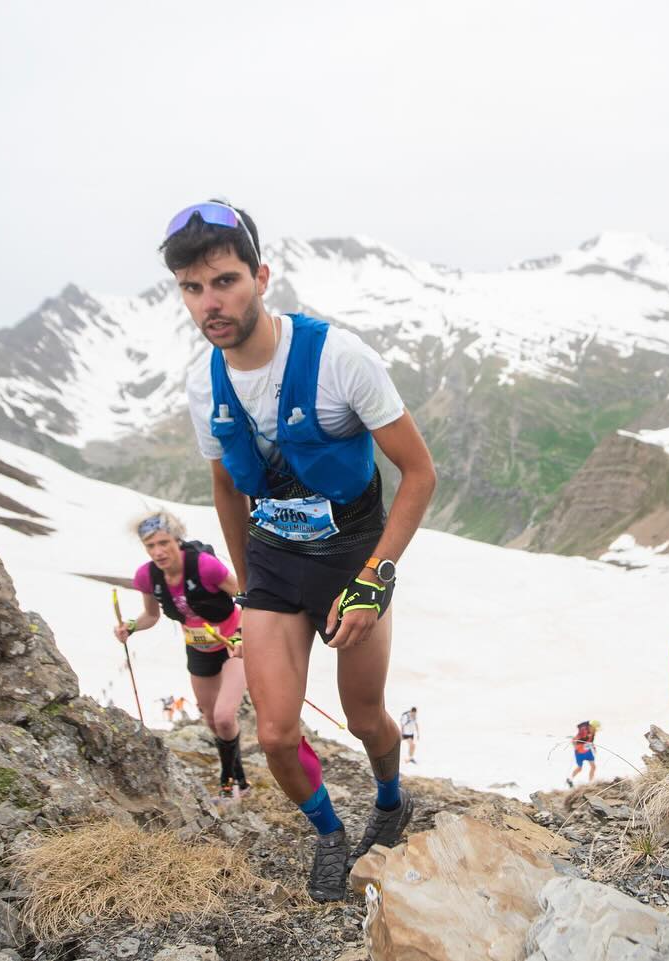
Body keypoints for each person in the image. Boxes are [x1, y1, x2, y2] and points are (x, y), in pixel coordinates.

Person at [163, 199, 438, 902]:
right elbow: (227, 482)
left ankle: (388, 798)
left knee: (364, 715)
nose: (209, 303)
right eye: (193, 288)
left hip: (353, 557)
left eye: (224, 281)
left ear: (261, 275)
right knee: (278, 736)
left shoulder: (339, 357)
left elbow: (419, 472)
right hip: (276, 562)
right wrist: (248, 581)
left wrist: (376, 578)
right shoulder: (204, 382)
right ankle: (328, 832)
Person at [115, 510, 250, 798]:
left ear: (177, 540)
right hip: (198, 648)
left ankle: (229, 783)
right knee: (211, 719)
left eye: (163, 543)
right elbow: (151, 616)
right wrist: (130, 626)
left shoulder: (205, 566)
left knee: (225, 716)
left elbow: (247, 598)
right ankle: (240, 780)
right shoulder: (147, 576)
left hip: (233, 645)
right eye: (150, 546)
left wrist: (240, 634)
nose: (158, 552)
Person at [566, 720, 599, 788]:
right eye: (595, 728)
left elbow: (590, 742)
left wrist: (594, 748)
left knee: (593, 767)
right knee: (580, 768)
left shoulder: (592, 733)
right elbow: (574, 740)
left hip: (588, 752)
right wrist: (576, 748)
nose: (596, 730)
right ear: (591, 727)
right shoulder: (583, 731)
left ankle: (590, 783)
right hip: (580, 753)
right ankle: (570, 779)